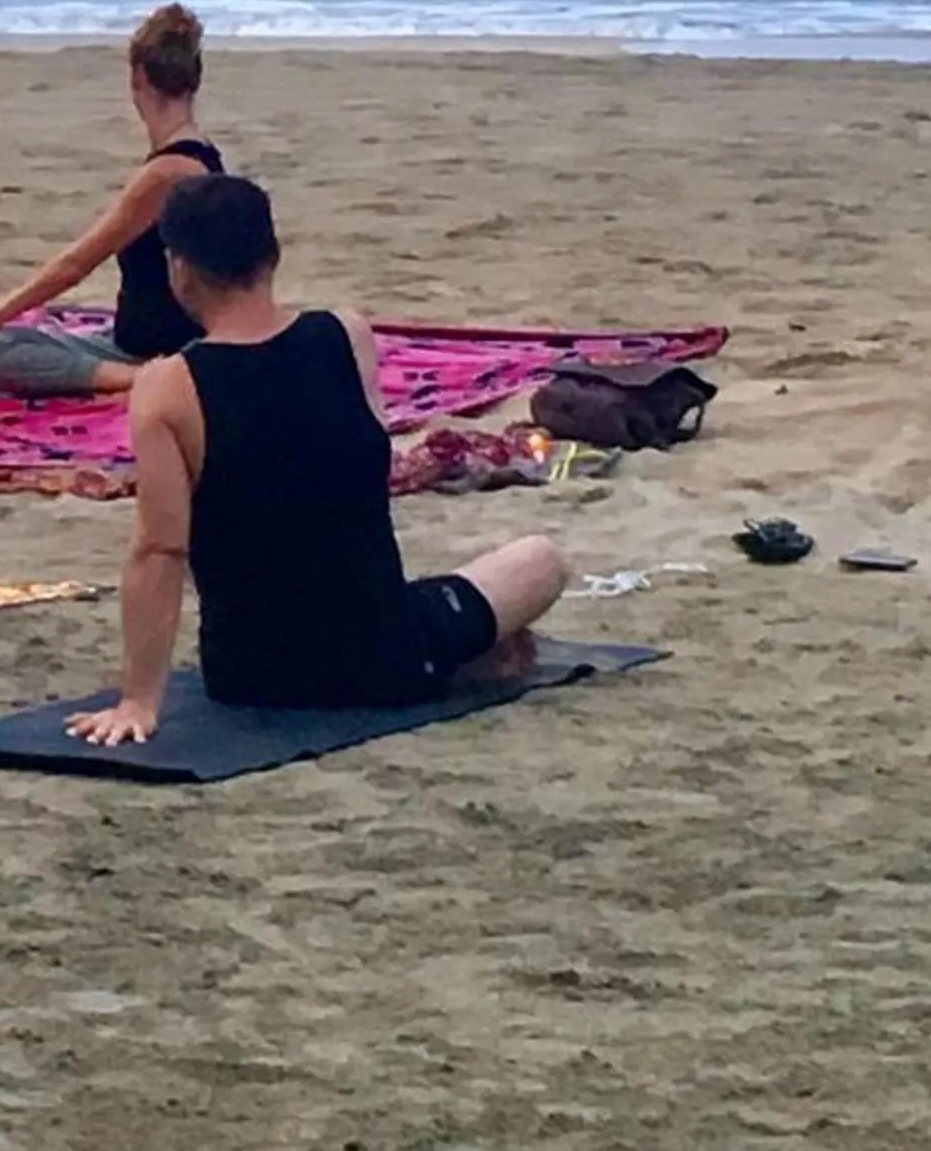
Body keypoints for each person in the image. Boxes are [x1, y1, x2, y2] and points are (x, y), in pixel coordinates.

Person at [68, 174, 567, 743]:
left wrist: (138, 701)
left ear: (179, 270)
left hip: (250, 673)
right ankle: (466, 651)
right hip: (383, 657)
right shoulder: (346, 336)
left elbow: (160, 549)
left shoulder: (165, 388)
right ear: (272, 255)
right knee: (540, 559)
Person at [0, 2, 225, 399]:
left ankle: (142, 379)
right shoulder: (205, 154)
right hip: (166, 335)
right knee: (51, 331)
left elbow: (76, 264)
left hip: (156, 350)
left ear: (137, 77)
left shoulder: (165, 173)